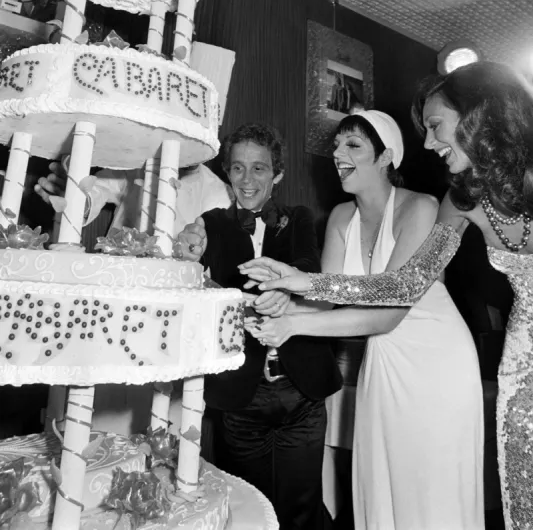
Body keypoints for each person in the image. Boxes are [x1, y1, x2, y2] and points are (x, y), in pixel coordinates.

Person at [240, 62, 533, 530]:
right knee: (521, 492)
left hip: (439, 365)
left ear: (481, 116)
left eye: (436, 126)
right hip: (520, 365)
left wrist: (298, 308)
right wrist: (300, 284)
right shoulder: (459, 202)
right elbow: (402, 286)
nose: (431, 143)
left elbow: (392, 307)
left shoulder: (422, 204)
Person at [179, 123, 341, 530]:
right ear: (227, 174)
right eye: (237, 169)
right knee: (248, 506)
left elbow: (308, 267)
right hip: (241, 393)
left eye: (259, 169)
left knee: (302, 506)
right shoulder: (212, 222)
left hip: (300, 389)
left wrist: (287, 290)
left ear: (278, 175)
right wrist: (187, 255)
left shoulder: (298, 217)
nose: (247, 180)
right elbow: (193, 283)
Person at [35, 160, 231, 434]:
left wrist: (198, 252)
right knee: (94, 423)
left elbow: (216, 262)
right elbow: (95, 193)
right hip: (112, 313)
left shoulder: (218, 191)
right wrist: (73, 198)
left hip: (169, 326)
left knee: (159, 427)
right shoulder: (136, 165)